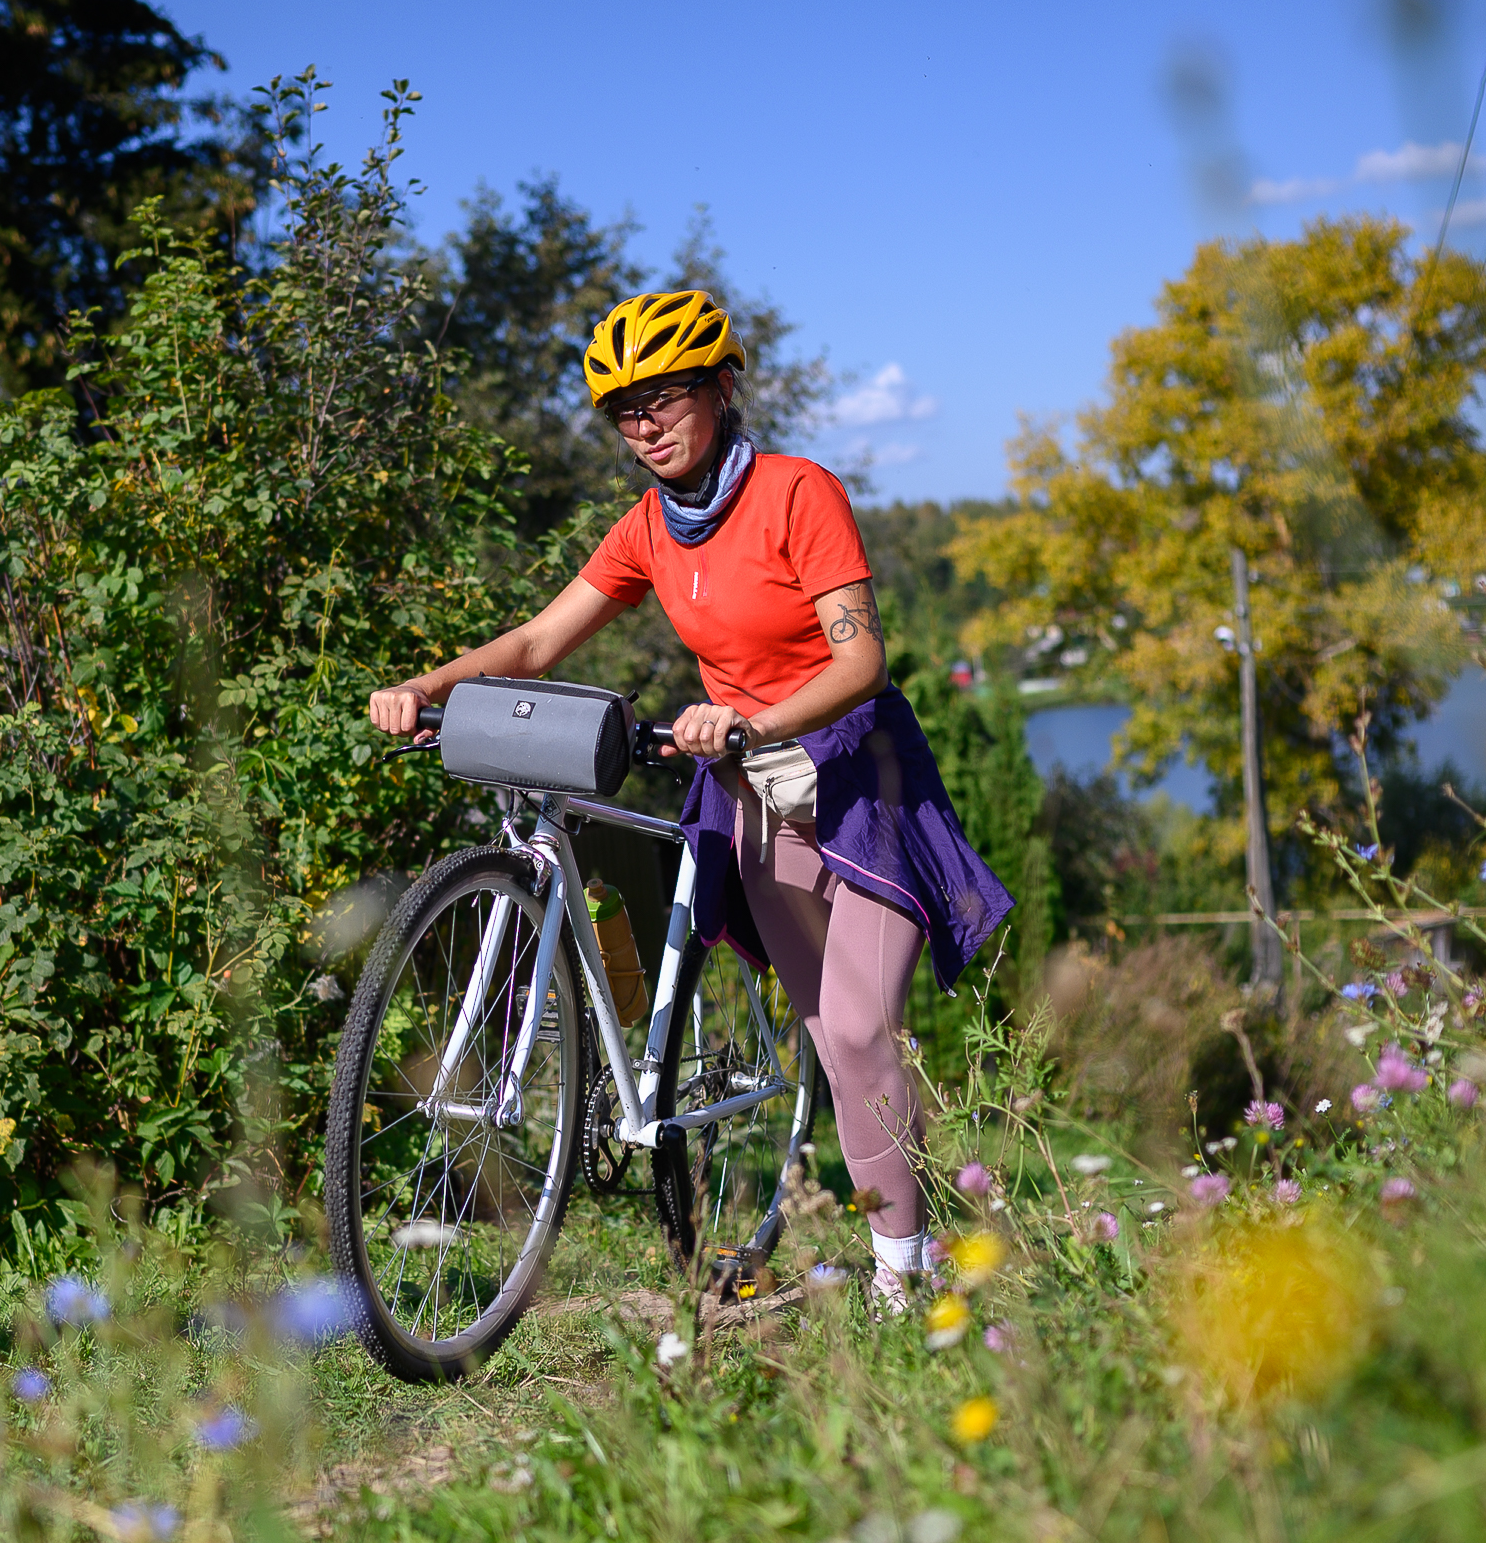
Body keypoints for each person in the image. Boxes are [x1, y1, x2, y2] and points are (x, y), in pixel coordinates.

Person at [368, 289, 1013, 1300]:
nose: (644, 424)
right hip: (752, 795)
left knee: (857, 1029)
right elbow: (538, 642)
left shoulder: (799, 494)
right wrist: (428, 684)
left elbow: (864, 664)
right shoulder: (647, 530)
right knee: (829, 1037)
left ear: (720, 385)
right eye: (623, 409)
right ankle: (906, 1238)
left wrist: (752, 717)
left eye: (664, 396)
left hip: (857, 779)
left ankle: (904, 1282)